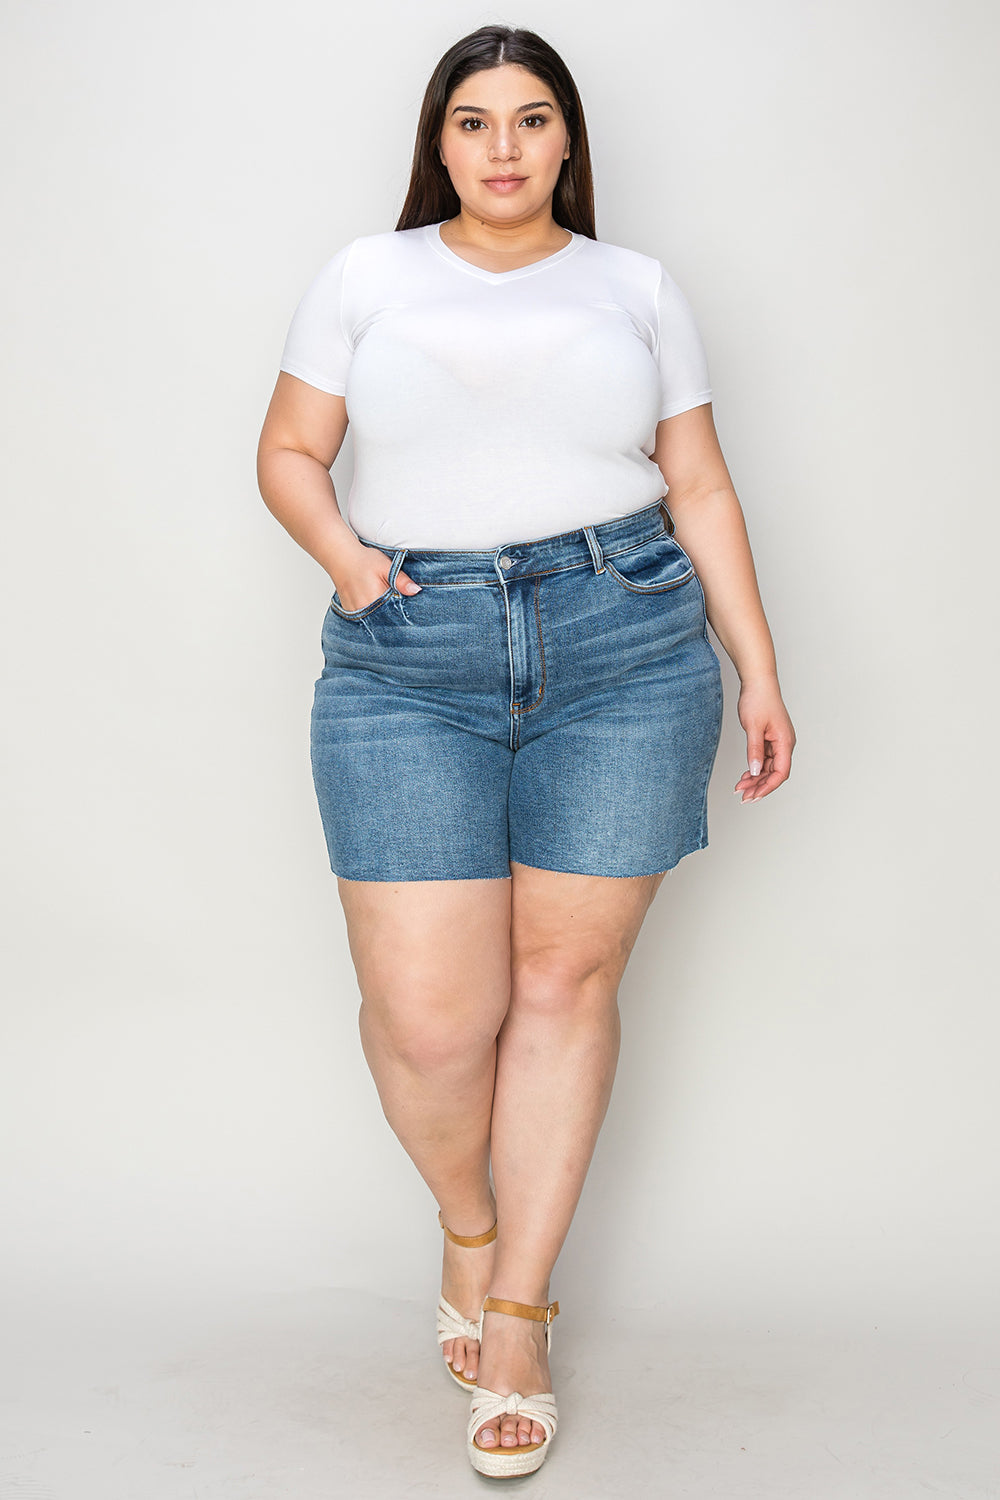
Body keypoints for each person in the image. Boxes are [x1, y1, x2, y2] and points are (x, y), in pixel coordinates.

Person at [256, 23, 795, 1479]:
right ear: (440, 144)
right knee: (433, 1022)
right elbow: (289, 452)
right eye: (476, 120)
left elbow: (698, 479)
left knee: (564, 983)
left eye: (533, 119)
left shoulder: (637, 288)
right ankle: (470, 1224)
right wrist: (353, 567)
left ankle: (516, 1316)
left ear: (568, 144)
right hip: (407, 655)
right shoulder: (366, 278)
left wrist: (757, 664)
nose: (504, 146)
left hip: (625, 642)